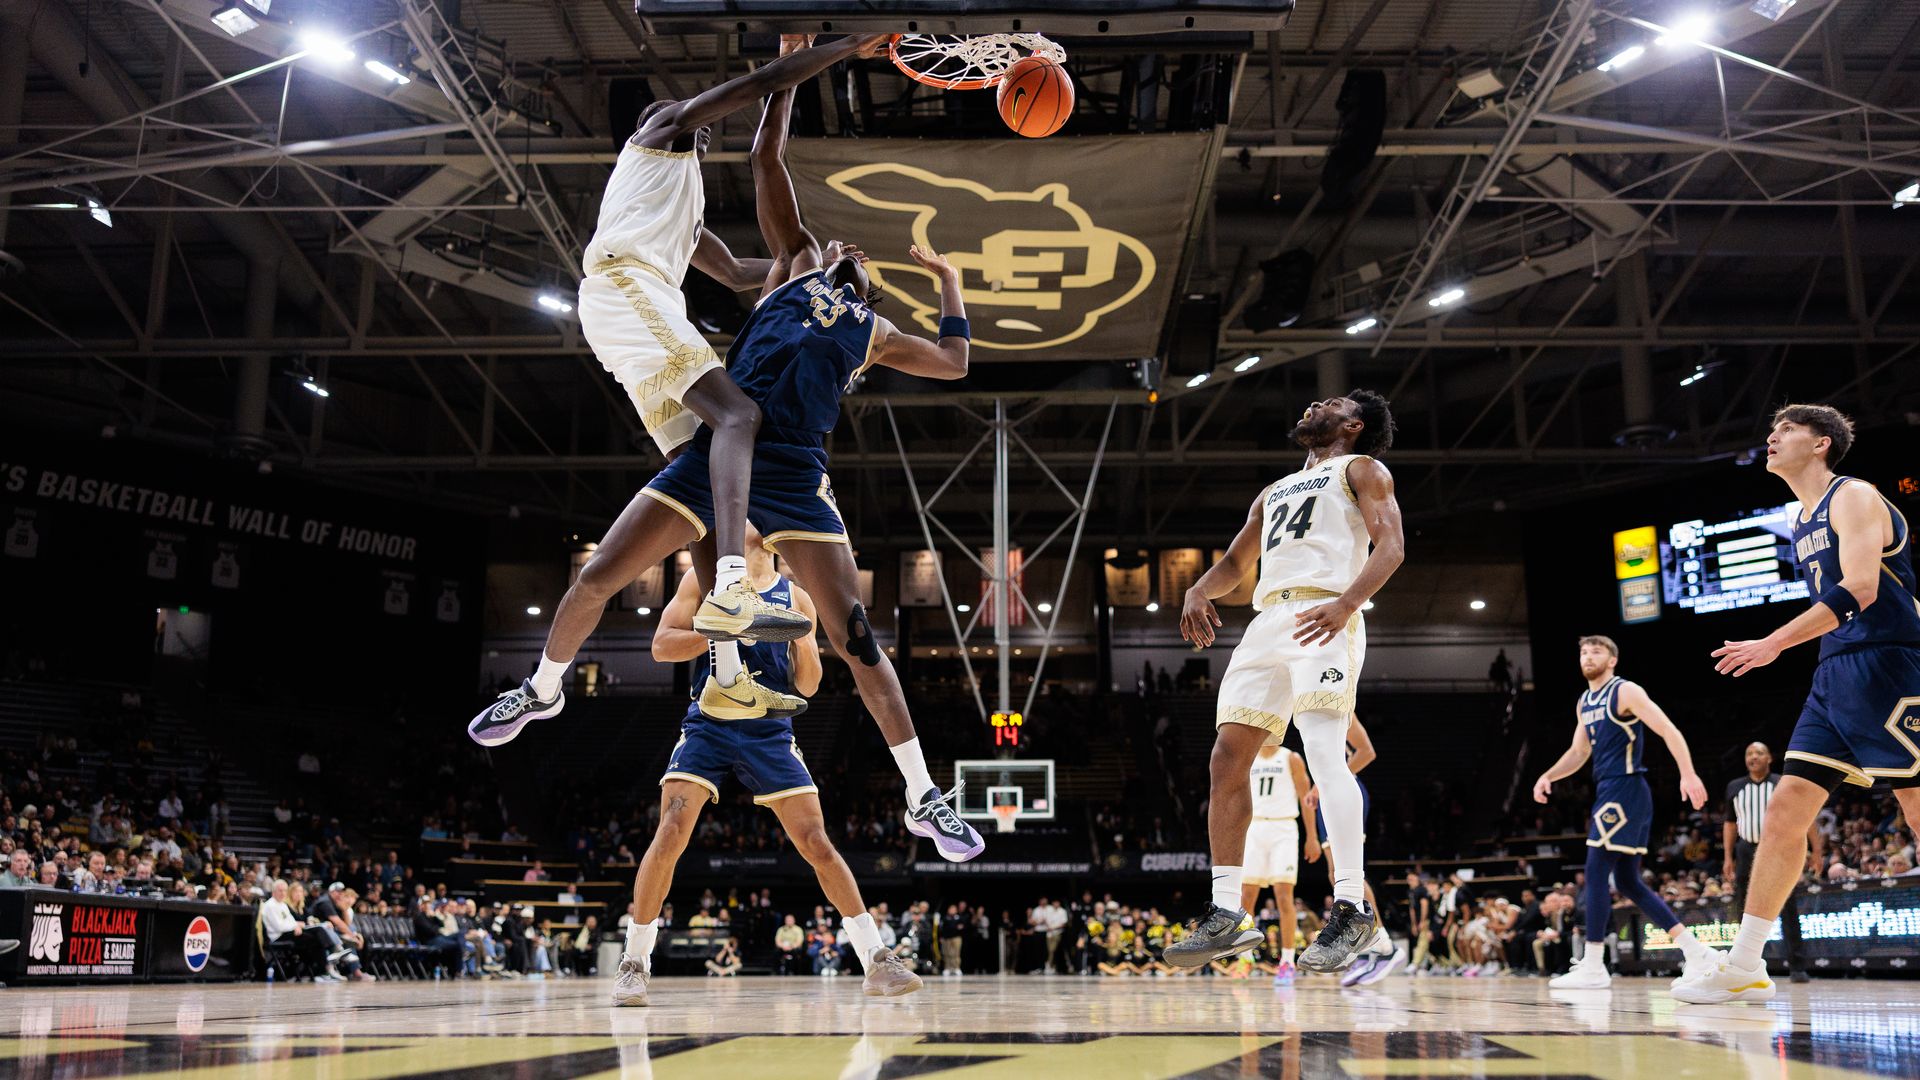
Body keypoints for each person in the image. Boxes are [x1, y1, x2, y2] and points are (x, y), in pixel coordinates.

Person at [467, 32, 891, 746]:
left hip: (643, 311)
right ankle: (731, 585)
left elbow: (736, 274)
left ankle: (549, 687)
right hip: (629, 291)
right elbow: (766, 102)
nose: (673, 110)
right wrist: (837, 49)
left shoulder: (686, 213)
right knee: (736, 416)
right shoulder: (657, 138)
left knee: (697, 491)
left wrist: (824, 277)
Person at [634, 39, 986, 860]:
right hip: (730, 442)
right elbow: (765, 154)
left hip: (794, 471)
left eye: (859, 257)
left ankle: (923, 796)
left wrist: (946, 278)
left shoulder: (881, 332)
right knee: (616, 565)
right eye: (840, 246)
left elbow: (957, 360)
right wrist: (790, 73)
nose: (848, 250)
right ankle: (542, 683)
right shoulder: (792, 264)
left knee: (856, 633)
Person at [611, 526, 921, 1006]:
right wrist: (717, 627)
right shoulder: (704, 582)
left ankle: (876, 958)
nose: (766, 521)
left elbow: (811, 685)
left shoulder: (797, 596)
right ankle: (634, 963)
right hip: (709, 723)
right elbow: (661, 646)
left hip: (770, 729)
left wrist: (801, 638)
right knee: (670, 831)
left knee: (817, 842)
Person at [1681, 405, 1920, 1003]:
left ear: (1820, 444)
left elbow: (1864, 589)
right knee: (1786, 810)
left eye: (1785, 430)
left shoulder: (1854, 495)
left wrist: (1772, 644)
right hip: (1834, 674)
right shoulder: (1801, 518)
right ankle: (1745, 964)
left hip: (1887, 666)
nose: (1771, 437)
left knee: (1918, 808)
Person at [1165, 391, 1405, 972]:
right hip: (1267, 621)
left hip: (1325, 612)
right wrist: (1199, 588)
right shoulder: (1274, 491)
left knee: (1325, 752)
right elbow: (1234, 565)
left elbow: (1391, 546)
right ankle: (1227, 913)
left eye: (1331, 402)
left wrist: (1348, 604)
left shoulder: (1362, 469)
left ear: (1352, 424)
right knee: (1227, 757)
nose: (1312, 403)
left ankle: (1352, 906)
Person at [1532, 635, 1714, 989]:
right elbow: (1578, 752)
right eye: (1583, 651)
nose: (1588, 656)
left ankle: (1594, 965)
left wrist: (1688, 773)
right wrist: (1548, 775)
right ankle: (1697, 952)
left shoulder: (1625, 691)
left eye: (1596, 651)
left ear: (1612, 660)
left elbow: (1667, 728)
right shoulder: (1585, 701)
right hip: (1612, 791)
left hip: (1626, 788)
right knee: (1628, 881)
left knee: (1596, 869)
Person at [1303, 715, 1404, 986]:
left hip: (1342, 790)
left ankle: (1383, 941)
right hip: (1325, 793)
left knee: (1348, 872)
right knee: (1335, 874)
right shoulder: (1304, 705)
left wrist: (1319, 784)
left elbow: (1367, 752)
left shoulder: (1340, 703)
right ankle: (1366, 943)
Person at [1722, 741, 1817, 983]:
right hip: (1745, 850)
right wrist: (1727, 856)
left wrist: (1817, 850)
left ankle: (1797, 966)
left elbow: (1805, 817)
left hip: (1777, 850)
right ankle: (1747, 967)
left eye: (1759, 752)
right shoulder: (1734, 787)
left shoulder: (1781, 784)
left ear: (1770, 758)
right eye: (1749, 753)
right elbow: (1730, 823)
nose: (1753, 757)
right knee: (1744, 911)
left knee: (1787, 908)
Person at [1239, 739, 1311, 985]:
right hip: (1255, 827)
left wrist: (1312, 836)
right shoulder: (1249, 756)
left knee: (1283, 896)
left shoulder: (1292, 758)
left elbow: (1306, 798)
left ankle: (1288, 961)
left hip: (1284, 828)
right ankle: (1245, 957)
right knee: (1247, 896)